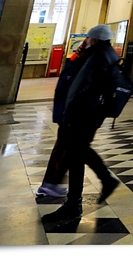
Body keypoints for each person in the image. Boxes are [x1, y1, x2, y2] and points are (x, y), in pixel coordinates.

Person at [40, 25, 127, 226]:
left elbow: (91, 87)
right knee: (77, 152)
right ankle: (98, 184)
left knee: (76, 153)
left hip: (85, 114)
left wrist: (73, 109)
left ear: (94, 39)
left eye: (88, 38)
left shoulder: (98, 56)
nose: (85, 40)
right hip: (91, 113)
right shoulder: (106, 53)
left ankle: (76, 202)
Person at [36, 37, 91, 199]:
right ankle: (50, 185)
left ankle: (50, 184)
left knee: (64, 147)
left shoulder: (75, 61)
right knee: (67, 148)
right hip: (70, 114)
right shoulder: (79, 65)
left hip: (67, 113)